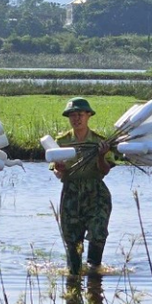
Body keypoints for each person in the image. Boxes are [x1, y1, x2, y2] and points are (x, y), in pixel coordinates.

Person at [50, 97, 115, 276]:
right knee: (72, 240)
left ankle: (95, 271)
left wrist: (101, 156)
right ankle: (75, 277)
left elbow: (105, 170)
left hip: (95, 192)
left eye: (80, 114)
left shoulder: (100, 141)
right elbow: (56, 171)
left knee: (98, 233)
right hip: (71, 193)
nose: (76, 118)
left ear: (88, 116)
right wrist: (59, 169)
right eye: (72, 115)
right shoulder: (61, 141)